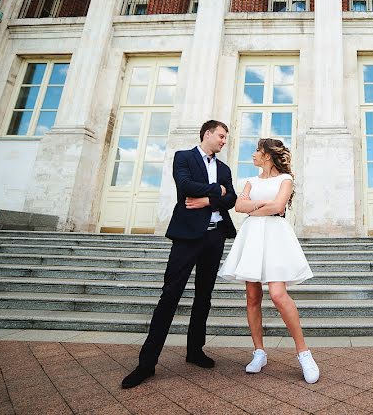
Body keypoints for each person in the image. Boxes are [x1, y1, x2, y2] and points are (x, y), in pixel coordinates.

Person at [122, 120, 238, 389]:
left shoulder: (224, 168)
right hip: (186, 237)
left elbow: (231, 199)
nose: (223, 141)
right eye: (221, 136)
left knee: (204, 297)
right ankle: (146, 364)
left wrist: (209, 200)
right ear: (207, 134)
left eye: (225, 138)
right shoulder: (183, 157)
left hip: (214, 236)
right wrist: (216, 190)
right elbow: (185, 186)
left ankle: (195, 351)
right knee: (170, 296)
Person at [217, 138, 319, 384]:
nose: (253, 154)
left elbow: (279, 206)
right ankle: (259, 352)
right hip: (252, 237)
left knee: (277, 294)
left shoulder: (286, 180)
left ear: (267, 155)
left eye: (257, 151)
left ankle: (304, 353)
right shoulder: (251, 181)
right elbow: (238, 206)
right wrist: (261, 206)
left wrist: (253, 208)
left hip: (275, 236)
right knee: (252, 296)